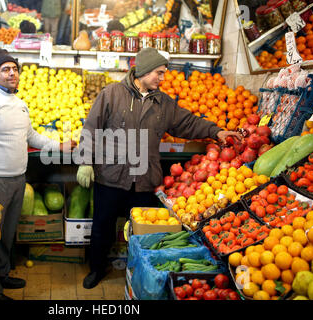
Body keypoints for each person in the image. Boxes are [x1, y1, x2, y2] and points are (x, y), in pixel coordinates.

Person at [76, 47, 242, 289]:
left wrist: (215, 131)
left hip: (144, 180)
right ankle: (97, 268)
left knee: (144, 231)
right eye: (159, 73)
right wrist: (85, 161)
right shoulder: (111, 94)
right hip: (111, 176)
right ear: (143, 71)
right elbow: (91, 128)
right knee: (102, 226)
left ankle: (139, 270)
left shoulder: (162, 102)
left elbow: (187, 123)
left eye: (164, 73)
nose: (163, 78)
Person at [0, 49, 76, 300]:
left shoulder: (19, 103)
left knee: (7, 234)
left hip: (16, 180)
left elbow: (31, 136)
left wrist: (59, 146)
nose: (12, 73)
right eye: (5, 69)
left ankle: (1, 275)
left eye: (15, 69)